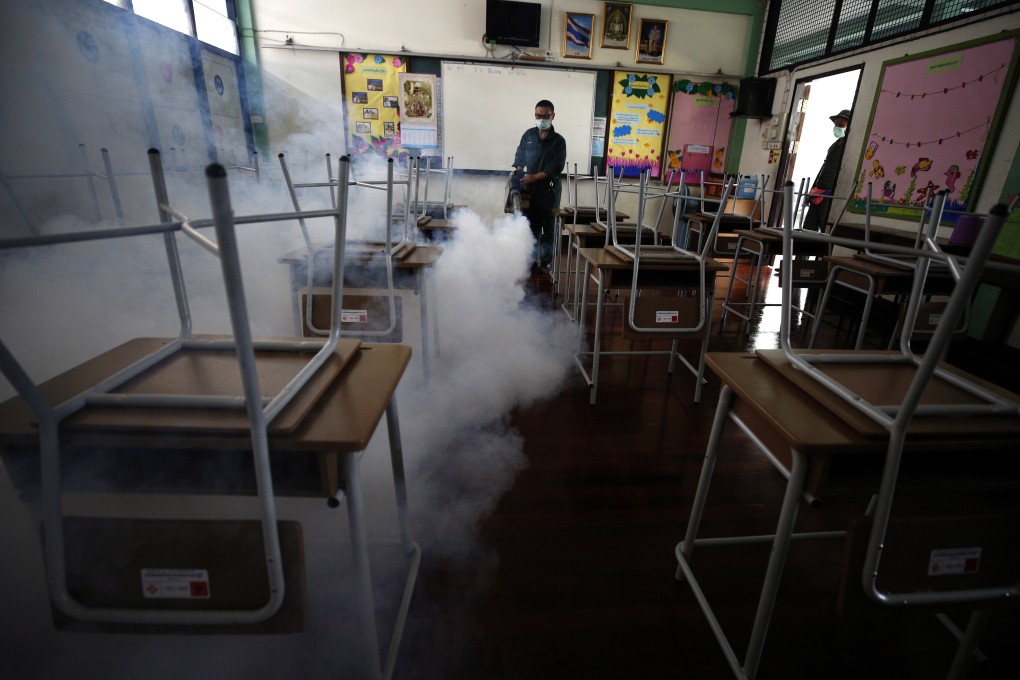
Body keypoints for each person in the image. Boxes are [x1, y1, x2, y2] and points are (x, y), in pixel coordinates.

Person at [512, 99, 567, 272]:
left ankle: (546, 263)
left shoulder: (559, 141)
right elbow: (519, 157)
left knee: (549, 228)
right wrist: (520, 171)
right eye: (537, 115)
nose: (541, 119)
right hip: (530, 191)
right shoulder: (528, 135)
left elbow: (555, 167)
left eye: (545, 116)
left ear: (552, 116)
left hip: (549, 191)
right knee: (531, 226)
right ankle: (530, 262)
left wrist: (534, 177)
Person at [803, 108, 851, 231]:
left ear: (849, 126)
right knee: (808, 226)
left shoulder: (849, 146)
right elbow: (825, 167)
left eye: (841, 125)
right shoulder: (836, 144)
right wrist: (813, 189)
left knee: (824, 227)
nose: (837, 128)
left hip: (831, 192)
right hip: (819, 190)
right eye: (836, 125)